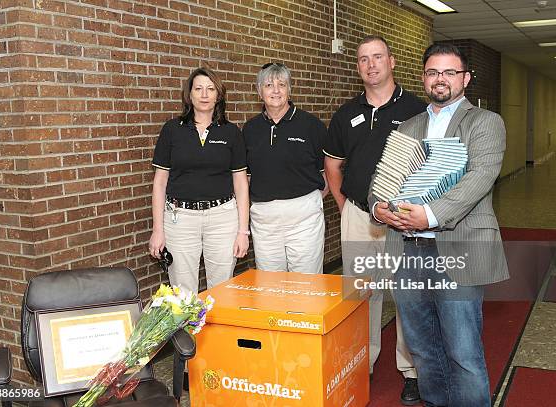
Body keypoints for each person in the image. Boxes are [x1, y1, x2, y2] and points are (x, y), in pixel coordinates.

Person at [370, 43, 509, 407]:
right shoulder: (409, 126)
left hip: (456, 248)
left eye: (449, 72)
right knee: (423, 347)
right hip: (408, 251)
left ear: (465, 78)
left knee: (462, 350)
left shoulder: (485, 122)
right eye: (433, 72)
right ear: (423, 78)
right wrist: (379, 208)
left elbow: (480, 177)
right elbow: (381, 183)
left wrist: (429, 214)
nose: (440, 79)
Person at [324, 35, 425, 405]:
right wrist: (344, 205)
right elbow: (333, 165)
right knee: (361, 294)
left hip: (402, 218)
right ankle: (360, 361)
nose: (371, 65)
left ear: (392, 61)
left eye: (378, 57)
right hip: (358, 216)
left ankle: (411, 371)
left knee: (406, 295)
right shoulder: (345, 113)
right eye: (364, 59)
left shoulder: (417, 109)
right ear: (358, 67)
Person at [149, 67, 250, 294]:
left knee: (223, 289)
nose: (204, 95)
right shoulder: (172, 130)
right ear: (190, 95)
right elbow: (160, 182)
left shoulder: (231, 132)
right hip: (180, 220)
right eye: (198, 89)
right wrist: (158, 229)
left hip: (223, 218)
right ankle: (189, 331)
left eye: (210, 89)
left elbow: (241, 184)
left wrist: (243, 231)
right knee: (183, 292)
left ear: (218, 95)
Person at [243, 63, 328, 273]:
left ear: (290, 89)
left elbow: (328, 173)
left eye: (282, 84)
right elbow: (246, 178)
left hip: (304, 221)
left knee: (307, 286)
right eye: (269, 85)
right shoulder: (250, 129)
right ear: (259, 91)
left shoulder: (311, 125)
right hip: (264, 223)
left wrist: (309, 203)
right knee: (272, 288)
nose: (276, 90)